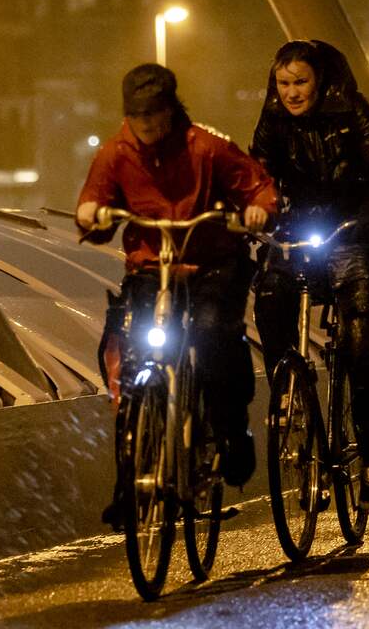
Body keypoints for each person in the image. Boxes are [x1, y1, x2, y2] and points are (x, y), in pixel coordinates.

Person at [77, 63, 276, 525]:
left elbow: (259, 187)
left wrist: (258, 212)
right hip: (152, 268)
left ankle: (230, 431)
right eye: (137, 116)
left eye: (154, 114)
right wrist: (93, 214)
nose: (145, 125)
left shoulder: (207, 147)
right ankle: (130, 486)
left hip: (212, 266)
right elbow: (96, 199)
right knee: (129, 360)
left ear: (171, 111)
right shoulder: (116, 153)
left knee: (210, 336)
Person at [249, 39, 369, 513]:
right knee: (271, 295)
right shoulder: (273, 121)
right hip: (301, 236)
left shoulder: (355, 114)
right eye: (284, 83)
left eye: (301, 82)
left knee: (360, 347)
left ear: (320, 81)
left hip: (359, 240)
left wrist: (368, 219)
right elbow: (259, 173)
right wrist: (259, 209)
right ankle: (287, 389)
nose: (292, 92)